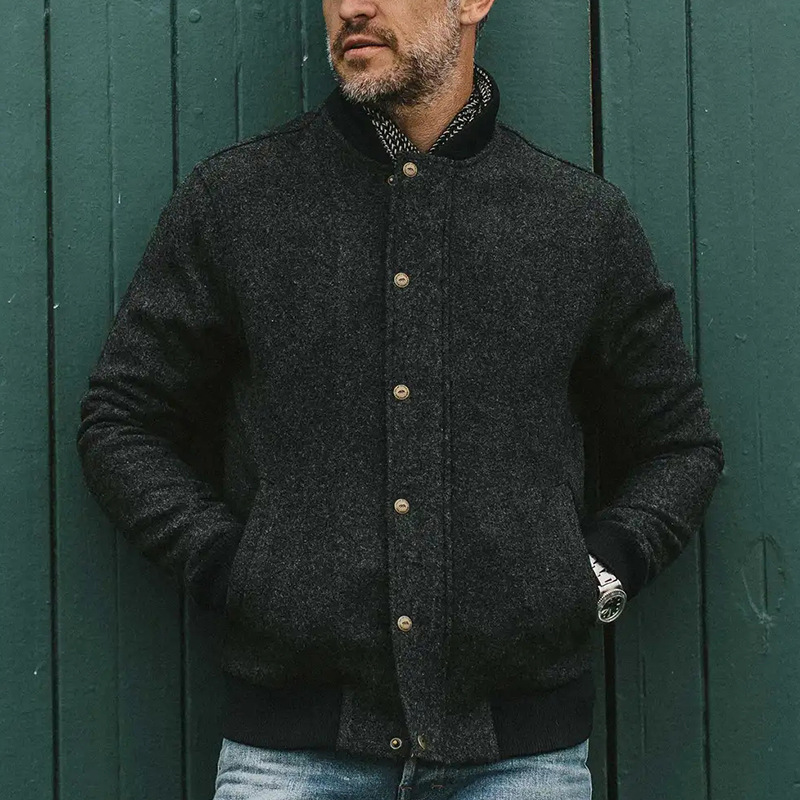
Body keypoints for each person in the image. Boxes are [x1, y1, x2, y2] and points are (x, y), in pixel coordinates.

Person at [75, 0, 725, 797]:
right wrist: (231, 568)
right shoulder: (237, 201)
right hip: (290, 757)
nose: (351, 7)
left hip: (522, 760)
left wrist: (591, 575)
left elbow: (680, 446)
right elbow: (122, 417)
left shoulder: (580, 221)